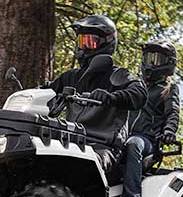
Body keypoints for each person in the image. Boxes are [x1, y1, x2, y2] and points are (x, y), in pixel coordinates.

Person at [47, 15, 146, 146]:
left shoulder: (118, 75)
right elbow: (48, 90)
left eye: (90, 42)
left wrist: (111, 97)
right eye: (82, 41)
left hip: (103, 146)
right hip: (71, 142)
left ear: (107, 42)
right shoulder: (71, 77)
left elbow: (139, 94)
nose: (83, 48)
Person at [121, 39, 180, 197]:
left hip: (147, 142)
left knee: (133, 144)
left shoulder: (168, 89)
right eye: (149, 58)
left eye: (157, 59)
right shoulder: (135, 86)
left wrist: (169, 131)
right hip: (121, 135)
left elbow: (173, 113)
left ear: (168, 64)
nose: (151, 63)